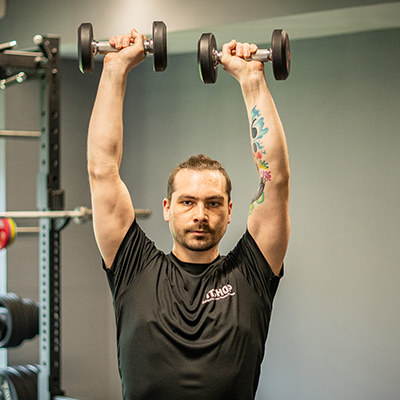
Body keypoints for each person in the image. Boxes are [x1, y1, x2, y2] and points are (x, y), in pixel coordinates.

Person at [87, 28, 290, 400]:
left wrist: (252, 79)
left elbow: (273, 179)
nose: (200, 214)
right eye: (187, 202)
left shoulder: (251, 273)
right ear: (167, 209)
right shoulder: (134, 267)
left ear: (229, 212)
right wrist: (114, 68)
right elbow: (102, 169)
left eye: (213, 203)